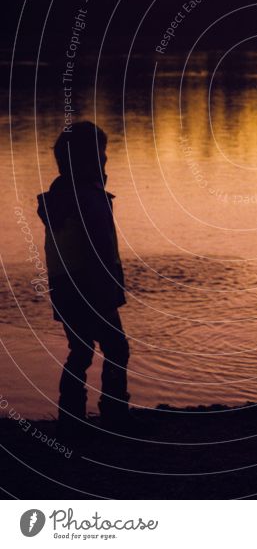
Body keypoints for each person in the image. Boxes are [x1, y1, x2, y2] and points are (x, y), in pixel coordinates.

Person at [37, 121, 130, 434]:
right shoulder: (89, 199)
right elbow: (100, 246)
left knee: (80, 350)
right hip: (91, 285)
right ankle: (115, 416)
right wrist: (110, 288)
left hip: (64, 287)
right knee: (116, 348)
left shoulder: (59, 198)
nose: (106, 161)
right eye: (102, 155)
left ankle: (71, 417)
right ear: (89, 162)